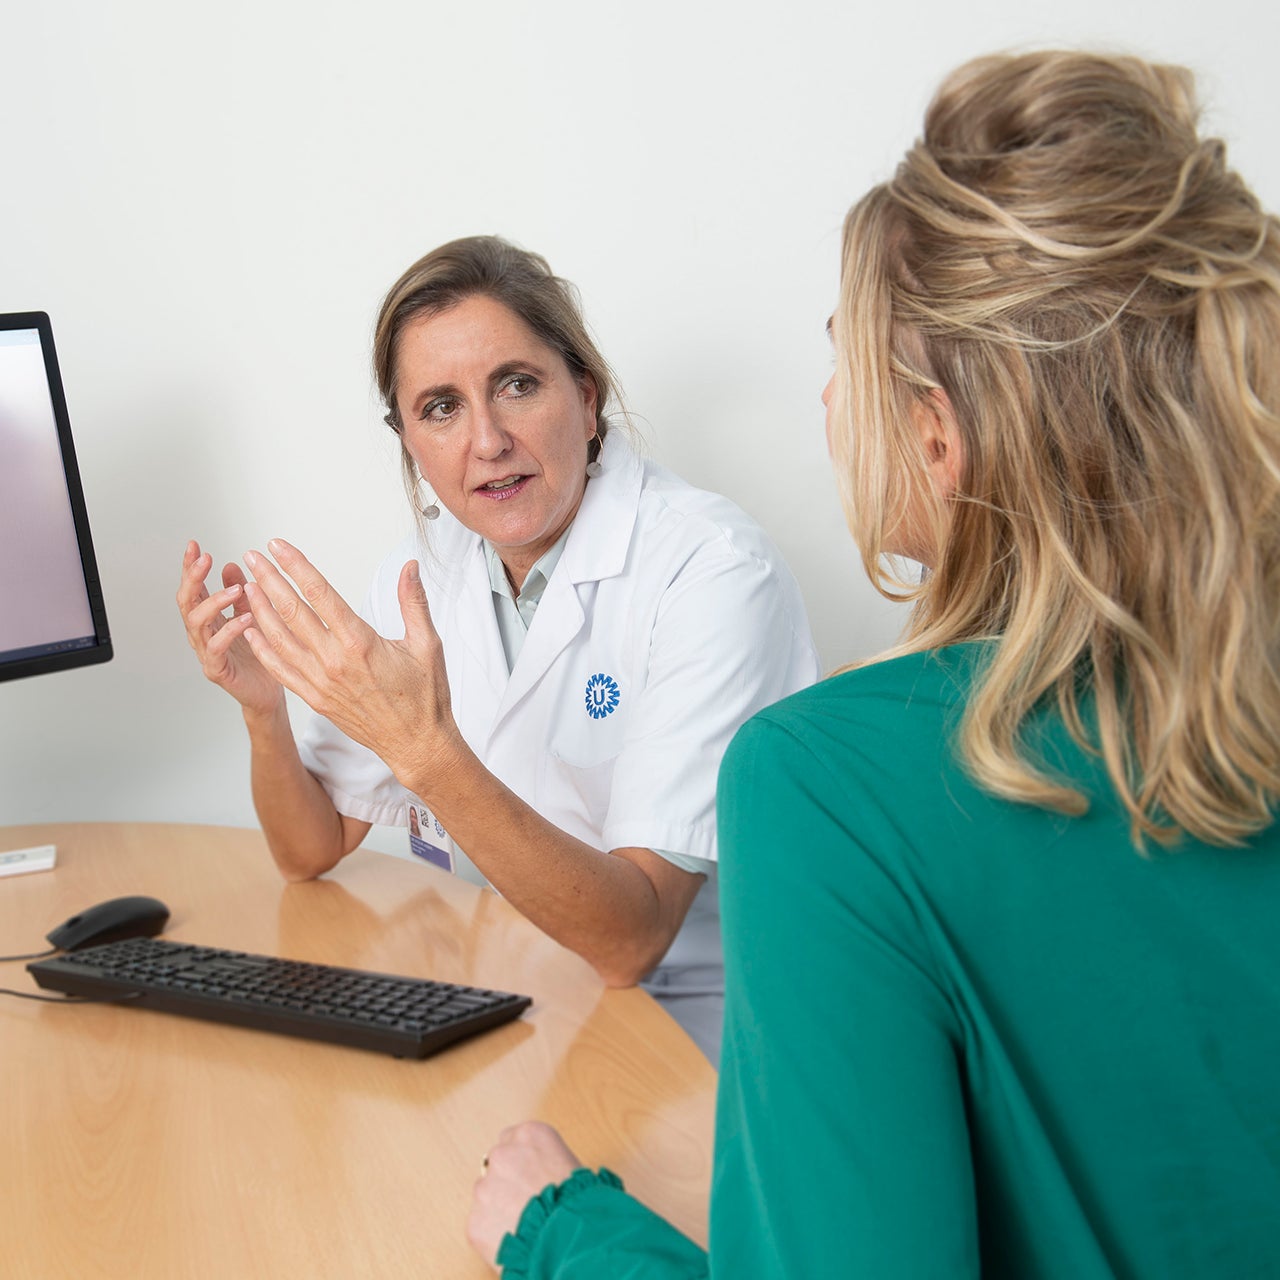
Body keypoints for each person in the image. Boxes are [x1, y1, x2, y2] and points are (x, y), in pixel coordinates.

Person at [467, 51, 1280, 1277]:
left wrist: (564, 1230)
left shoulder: (831, 782)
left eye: (844, 359)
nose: (827, 399)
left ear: (937, 439)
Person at [177, 236, 819, 1062]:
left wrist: (423, 750)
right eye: (441, 407)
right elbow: (309, 849)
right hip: (507, 1003)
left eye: (517, 385)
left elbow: (633, 939)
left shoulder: (712, 571)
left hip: (688, 1031)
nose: (487, 441)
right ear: (409, 439)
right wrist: (264, 711)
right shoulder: (421, 577)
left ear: (585, 396)